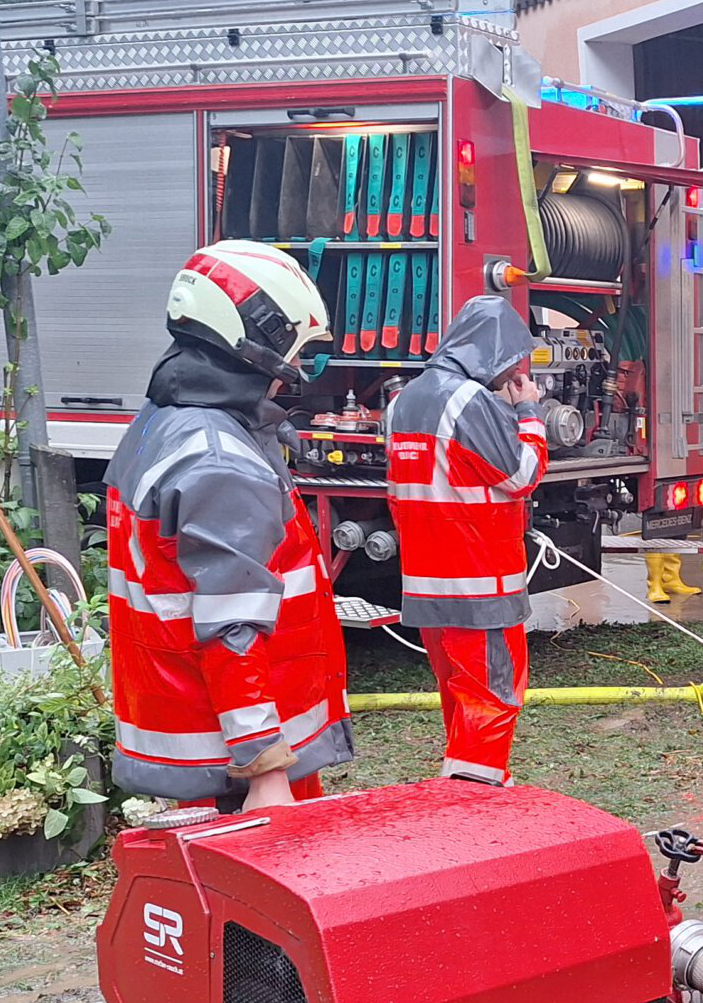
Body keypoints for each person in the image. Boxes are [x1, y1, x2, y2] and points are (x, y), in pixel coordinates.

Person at [107, 241, 352, 811]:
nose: (293, 372)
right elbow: (231, 626)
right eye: (292, 352)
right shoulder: (219, 459)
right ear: (256, 343)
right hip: (240, 766)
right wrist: (265, 767)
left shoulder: (162, 423)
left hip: (197, 735)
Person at [386, 294, 548, 784]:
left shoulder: (402, 400)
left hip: (427, 583)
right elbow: (522, 475)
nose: (514, 371)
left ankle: (464, 786)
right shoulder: (469, 401)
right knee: (493, 697)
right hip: (481, 583)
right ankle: (473, 804)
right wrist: (530, 413)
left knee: (458, 695)